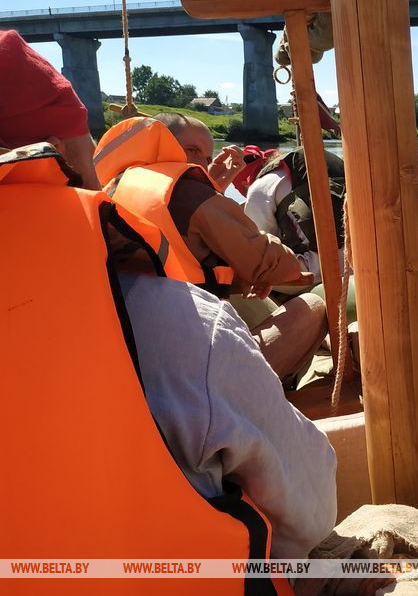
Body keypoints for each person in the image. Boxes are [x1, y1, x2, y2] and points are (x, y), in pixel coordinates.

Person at [0, 30, 336, 581]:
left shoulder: (128, 182)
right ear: (62, 156)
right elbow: (311, 512)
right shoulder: (179, 316)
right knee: (313, 311)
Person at [94, 113, 327, 380]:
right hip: (194, 373)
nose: (200, 164)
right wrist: (276, 269)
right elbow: (270, 261)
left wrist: (216, 190)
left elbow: (174, 257)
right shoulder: (190, 194)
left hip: (138, 361)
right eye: (191, 150)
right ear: (162, 144)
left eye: (206, 157)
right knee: (313, 305)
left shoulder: (111, 190)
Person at [244, 145, 346, 285]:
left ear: (246, 182)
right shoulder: (331, 163)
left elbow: (261, 250)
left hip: (315, 273)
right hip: (360, 261)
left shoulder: (260, 187)